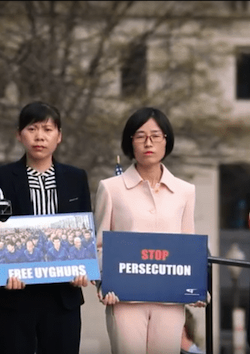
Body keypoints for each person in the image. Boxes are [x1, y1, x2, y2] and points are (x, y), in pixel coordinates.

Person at [0, 101, 92, 354]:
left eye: (47, 129)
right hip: (15, 294)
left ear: (59, 136)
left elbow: (84, 229)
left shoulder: (75, 178)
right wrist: (3, 272)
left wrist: (82, 267)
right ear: (19, 134)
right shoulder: (0, 177)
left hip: (63, 295)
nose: (39, 136)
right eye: (32, 129)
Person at [94, 107, 205, 354]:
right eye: (140, 135)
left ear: (167, 141)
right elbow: (99, 244)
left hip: (170, 300)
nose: (148, 142)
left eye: (156, 135)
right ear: (130, 142)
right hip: (124, 299)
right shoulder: (111, 188)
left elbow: (188, 243)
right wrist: (103, 282)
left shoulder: (185, 191)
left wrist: (198, 285)